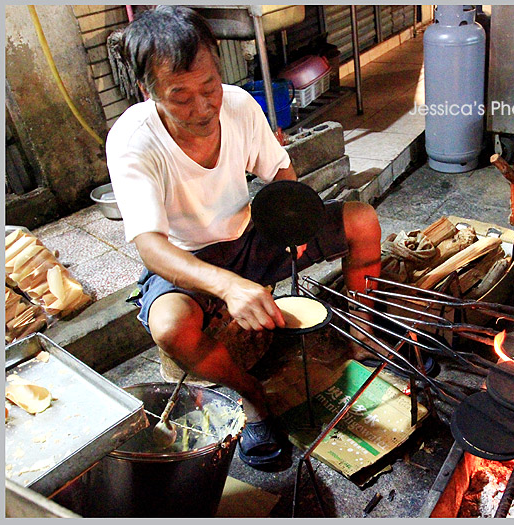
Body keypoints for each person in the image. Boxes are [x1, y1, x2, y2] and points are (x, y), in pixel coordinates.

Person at [106, 6, 382, 469]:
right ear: (147, 91)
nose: (202, 108)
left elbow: (279, 170)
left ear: (219, 70)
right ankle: (253, 399)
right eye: (180, 97)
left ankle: (363, 340)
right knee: (171, 326)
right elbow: (151, 247)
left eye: (209, 87)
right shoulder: (133, 140)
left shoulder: (237, 105)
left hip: (251, 235)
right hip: (188, 260)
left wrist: (292, 223)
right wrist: (229, 287)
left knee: (362, 221)